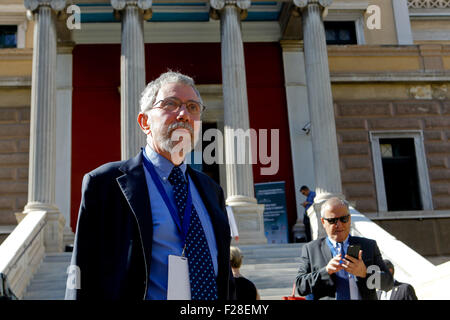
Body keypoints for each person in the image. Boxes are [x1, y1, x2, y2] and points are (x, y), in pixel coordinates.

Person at [65, 71, 235, 300]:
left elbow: (224, 276)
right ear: (145, 122)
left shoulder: (211, 190)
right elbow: (82, 274)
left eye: (193, 107)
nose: (184, 114)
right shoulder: (105, 184)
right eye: (171, 104)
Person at [296, 197, 393, 300]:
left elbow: (388, 283)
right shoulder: (311, 250)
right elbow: (301, 287)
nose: (339, 225)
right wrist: (326, 271)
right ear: (323, 222)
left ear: (350, 219)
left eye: (344, 219)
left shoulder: (368, 246)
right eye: (332, 220)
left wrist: (365, 273)